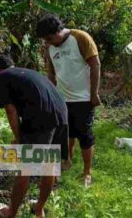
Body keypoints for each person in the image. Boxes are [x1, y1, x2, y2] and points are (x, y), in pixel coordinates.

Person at [0, 53, 68, 218]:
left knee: (25, 168)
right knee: (49, 164)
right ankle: (39, 209)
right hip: (61, 113)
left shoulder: (2, 77)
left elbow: (11, 111)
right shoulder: (27, 73)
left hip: (41, 119)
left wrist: (19, 138)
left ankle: (11, 212)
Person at [36, 14, 101, 187]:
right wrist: (51, 95)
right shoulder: (49, 48)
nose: (48, 42)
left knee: (84, 135)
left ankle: (87, 172)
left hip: (83, 98)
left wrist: (94, 94)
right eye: (45, 40)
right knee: (65, 132)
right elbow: (51, 73)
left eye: (50, 38)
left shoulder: (80, 38)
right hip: (62, 98)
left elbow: (95, 65)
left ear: (58, 30)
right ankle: (67, 160)